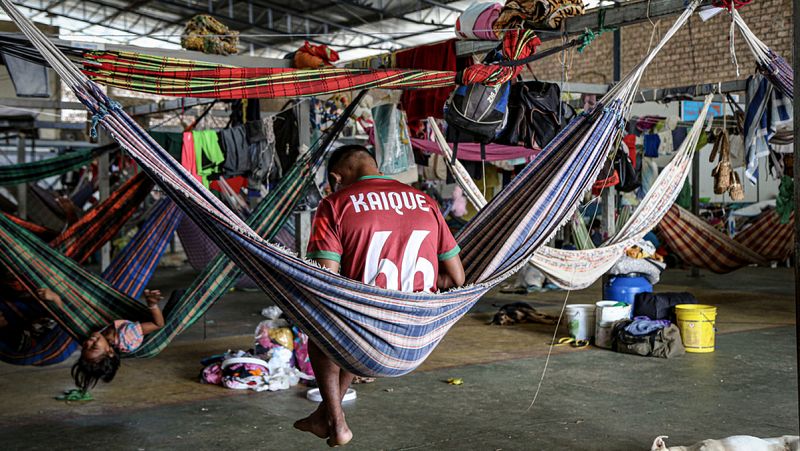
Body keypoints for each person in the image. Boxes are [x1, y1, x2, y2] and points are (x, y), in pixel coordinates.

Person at [294, 145, 465, 446]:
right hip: (417, 338)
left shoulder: (335, 204)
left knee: (323, 328)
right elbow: (456, 278)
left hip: (369, 332)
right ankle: (323, 416)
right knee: (353, 327)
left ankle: (336, 421)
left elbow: (326, 283)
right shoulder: (426, 202)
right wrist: (410, 279)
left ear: (335, 178)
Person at [36, 287, 165, 393]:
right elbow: (158, 324)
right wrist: (152, 304)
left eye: (85, 347)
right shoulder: (127, 335)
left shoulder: (95, 339)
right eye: (94, 346)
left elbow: (69, 321)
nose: (88, 342)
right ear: (110, 351)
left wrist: (55, 299)